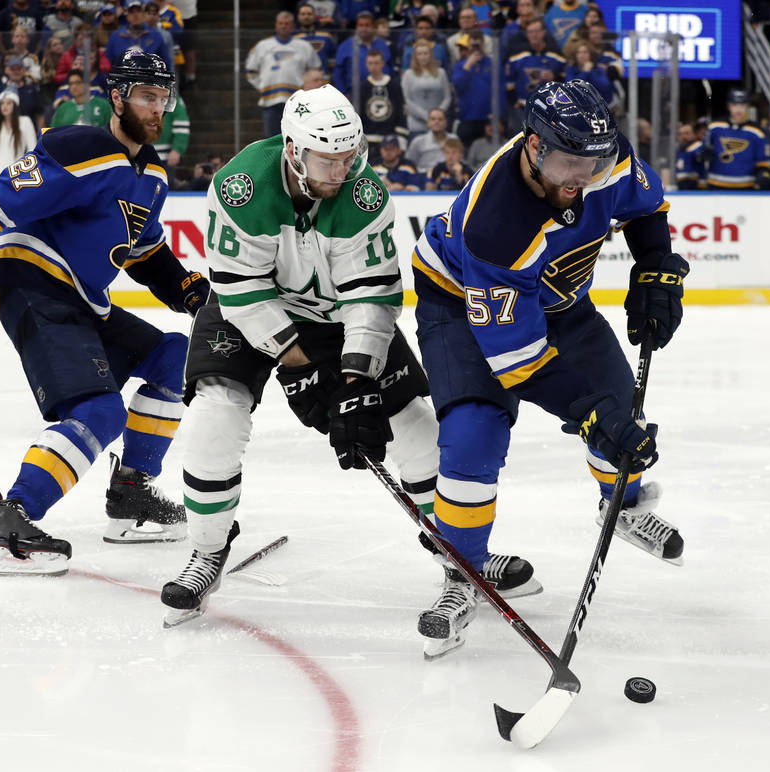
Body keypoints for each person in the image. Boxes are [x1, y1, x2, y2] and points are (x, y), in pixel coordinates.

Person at [158, 84, 537, 647]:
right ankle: (208, 549)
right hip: (250, 308)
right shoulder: (240, 188)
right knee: (216, 414)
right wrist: (296, 364)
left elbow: (373, 297)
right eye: (327, 157)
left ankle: (461, 553)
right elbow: (240, 291)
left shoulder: (363, 194)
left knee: (415, 426)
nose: (341, 168)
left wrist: (356, 379)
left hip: (338, 318)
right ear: (292, 149)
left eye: (348, 154)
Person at [0, 52, 210, 576]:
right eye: (146, 97)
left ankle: (131, 492)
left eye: (164, 99)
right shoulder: (81, 146)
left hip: (82, 299)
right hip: (33, 284)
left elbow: (146, 252)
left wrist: (188, 289)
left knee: (172, 357)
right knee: (101, 411)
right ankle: (10, 521)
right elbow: (1, 197)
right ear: (117, 98)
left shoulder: (152, 175)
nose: (158, 109)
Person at [411, 80, 688, 656]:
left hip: (560, 298)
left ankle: (625, 506)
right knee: (475, 430)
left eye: (593, 161)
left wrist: (656, 266)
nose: (581, 176)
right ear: (533, 146)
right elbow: (521, 363)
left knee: (621, 408)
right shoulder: (494, 223)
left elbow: (644, 208)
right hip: (461, 301)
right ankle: (463, 570)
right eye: (567, 162)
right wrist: (588, 414)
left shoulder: (598, 153)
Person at [245, 10, 320, 138]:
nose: (283, 26)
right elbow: (251, 71)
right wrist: (262, 86)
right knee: (272, 141)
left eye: (287, 23)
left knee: (296, 139)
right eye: (281, 23)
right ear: (276, 25)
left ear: (292, 26)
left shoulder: (304, 46)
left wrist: (306, 91)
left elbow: (314, 71)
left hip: (297, 104)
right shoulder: (262, 46)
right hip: (270, 102)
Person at [701, 88, 770, 190]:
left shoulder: (758, 132)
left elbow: (764, 161)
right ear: (729, 106)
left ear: (747, 107)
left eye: (742, 105)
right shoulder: (714, 127)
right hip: (717, 185)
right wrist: (703, 154)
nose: (738, 109)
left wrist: (763, 173)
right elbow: (703, 153)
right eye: (734, 105)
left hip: (746, 187)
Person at [357, 46, 407, 163]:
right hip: (369, 138)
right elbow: (359, 113)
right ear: (366, 64)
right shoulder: (363, 86)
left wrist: (400, 135)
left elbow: (400, 109)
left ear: (383, 64)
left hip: (389, 139)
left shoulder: (393, 85)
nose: (373, 67)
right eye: (370, 63)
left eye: (376, 63)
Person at [0, 88, 37, 178]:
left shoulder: (25, 121)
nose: (4, 106)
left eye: (8, 103)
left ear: (15, 104)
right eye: (2, 103)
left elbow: (32, 150)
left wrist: (23, 170)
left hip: (18, 175)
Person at [401, 40, 451, 139]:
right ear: (415, 56)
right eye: (419, 54)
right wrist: (427, 117)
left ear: (431, 55)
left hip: (438, 124)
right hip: (416, 125)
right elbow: (407, 100)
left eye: (425, 53)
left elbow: (447, 97)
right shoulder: (408, 74)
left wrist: (437, 116)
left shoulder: (441, 73)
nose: (423, 57)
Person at [406, 107, 457, 174]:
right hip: (423, 177)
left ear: (446, 123)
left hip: (447, 177)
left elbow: (459, 161)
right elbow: (409, 164)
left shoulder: (454, 139)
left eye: (440, 119)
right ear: (428, 122)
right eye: (433, 119)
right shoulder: (418, 141)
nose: (436, 122)